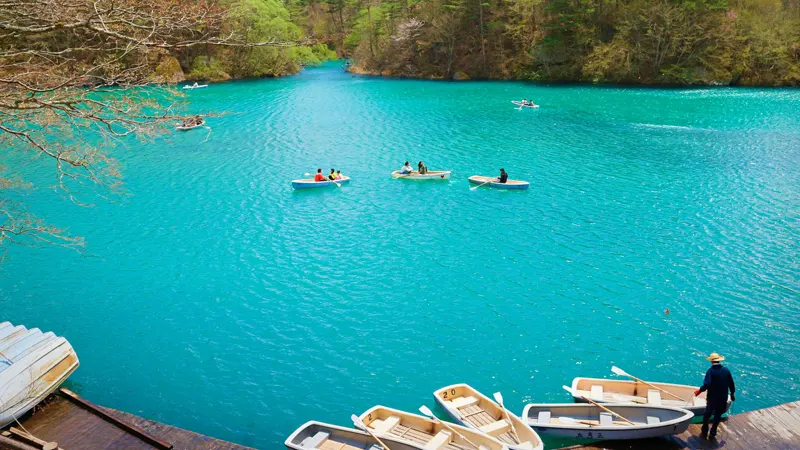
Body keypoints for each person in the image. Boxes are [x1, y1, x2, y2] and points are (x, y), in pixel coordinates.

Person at [694, 352, 736, 440]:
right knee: (718, 415)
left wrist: (700, 390)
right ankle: (713, 432)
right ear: (719, 361)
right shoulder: (726, 370)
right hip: (723, 398)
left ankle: (705, 429)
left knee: (707, 414)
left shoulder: (710, 371)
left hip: (712, 398)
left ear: (711, 361)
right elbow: (731, 384)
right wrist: (732, 394)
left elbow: (707, 384)